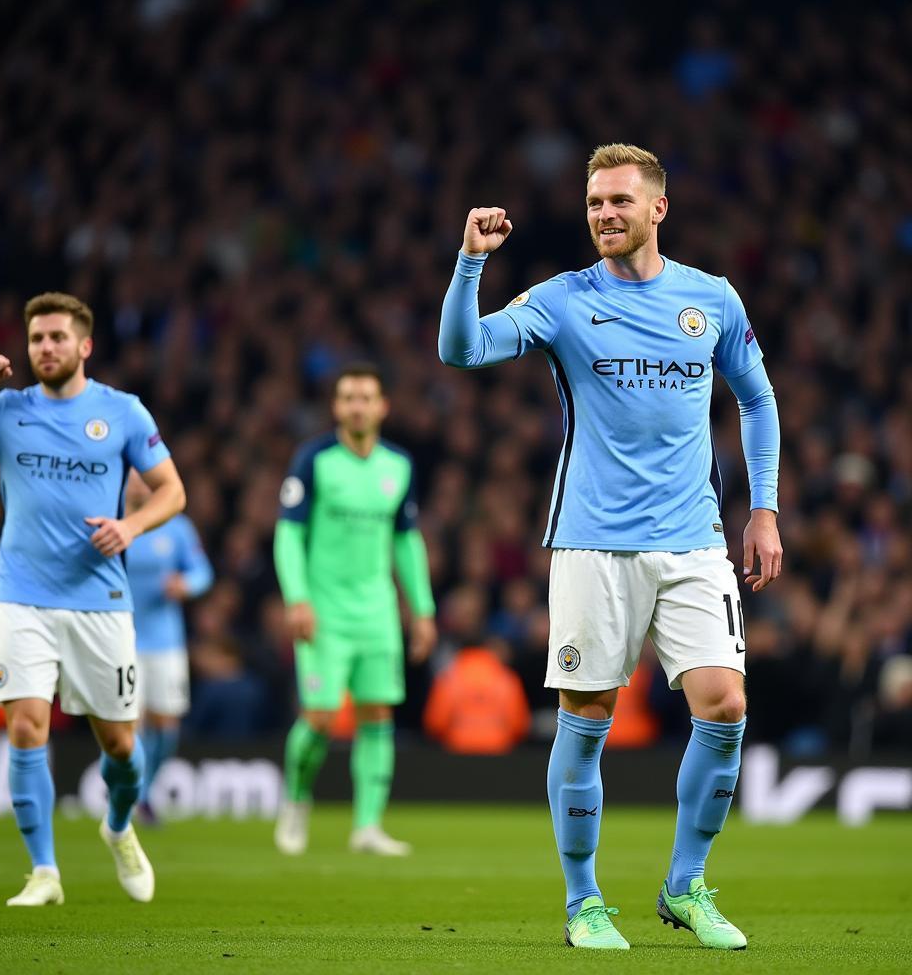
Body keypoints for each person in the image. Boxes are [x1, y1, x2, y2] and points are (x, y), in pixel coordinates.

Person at [438, 143, 782, 951]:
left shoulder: (712, 299)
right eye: (595, 203)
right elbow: (463, 351)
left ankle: (685, 884)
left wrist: (763, 511)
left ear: (658, 208)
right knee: (587, 717)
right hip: (593, 546)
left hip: (695, 541)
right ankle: (583, 901)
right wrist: (468, 265)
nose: (605, 215)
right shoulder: (562, 300)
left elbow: (758, 398)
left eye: (620, 202)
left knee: (725, 706)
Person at [0, 292, 186, 907]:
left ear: (84, 345)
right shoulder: (5, 410)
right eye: (36, 339)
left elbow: (172, 492)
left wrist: (131, 528)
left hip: (101, 600)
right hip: (21, 596)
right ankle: (44, 871)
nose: (45, 348)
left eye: (57, 337)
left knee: (121, 748)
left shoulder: (124, 413)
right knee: (27, 728)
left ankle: (118, 825)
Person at [272, 362, 437, 856]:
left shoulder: (398, 466)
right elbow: (288, 533)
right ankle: (296, 800)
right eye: (348, 398)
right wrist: (297, 597)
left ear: (382, 406)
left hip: (377, 613)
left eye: (366, 397)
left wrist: (423, 609)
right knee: (320, 718)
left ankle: (367, 826)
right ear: (336, 407)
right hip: (324, 611)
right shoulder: (314, 459)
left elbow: (407, 543)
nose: (357, 406)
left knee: (377, 713)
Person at [123, 468, 213, 822]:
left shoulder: (176, 527)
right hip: (121, 639)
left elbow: (202, 571)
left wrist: (186, 585)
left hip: (165, 641)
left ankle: (144, 792)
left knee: (166, 726)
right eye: (134, 475)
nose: (141, 482)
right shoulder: (109, 518)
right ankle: (128, 794)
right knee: (129, 723)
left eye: (146, 475)